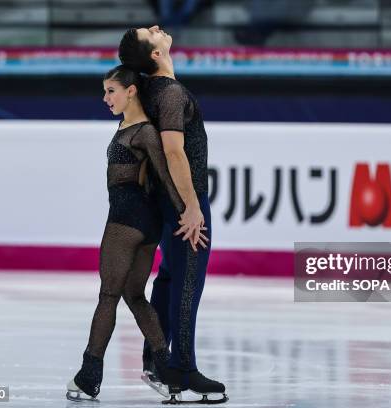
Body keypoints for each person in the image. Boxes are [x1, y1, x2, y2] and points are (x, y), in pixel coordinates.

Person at [66, 65, 197, 402]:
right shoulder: (128, 125)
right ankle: (166, 371)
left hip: (126, 219)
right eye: (105, 91)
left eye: (111, 91)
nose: (105, 98)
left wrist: (189, 214)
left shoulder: (144, 132)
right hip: (144, 222)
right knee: (134, 296)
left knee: (108, 295)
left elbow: (167, 177)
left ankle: (88, 374)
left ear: (131, 91)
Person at [118, 26, 228, 404]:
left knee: (169, 277)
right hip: (183, 200)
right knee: (187, 281)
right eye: (151, 32)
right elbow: (174, 151)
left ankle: (156, 358)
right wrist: (192, 205)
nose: (158, 29)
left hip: (162, 199)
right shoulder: (170, 93)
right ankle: (181, 367)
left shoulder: (149, 92)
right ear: (154, 54)